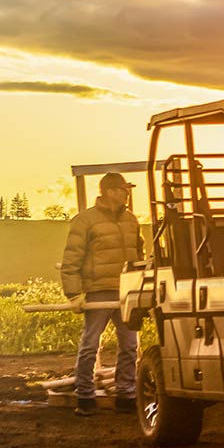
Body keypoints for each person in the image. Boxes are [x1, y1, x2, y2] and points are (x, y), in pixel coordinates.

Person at [60, 172, 144, 417]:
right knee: (91, 344)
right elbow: (71, 258)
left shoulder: (130, 220)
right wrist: (74, 293)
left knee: (130, 344)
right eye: (122, 189)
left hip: (126, 290)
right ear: (109, 191)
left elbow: (139, 253)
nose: (126, 193)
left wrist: (140, 284)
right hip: (97, 290)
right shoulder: (85, 221)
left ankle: (126, 394)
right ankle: (85, 396)